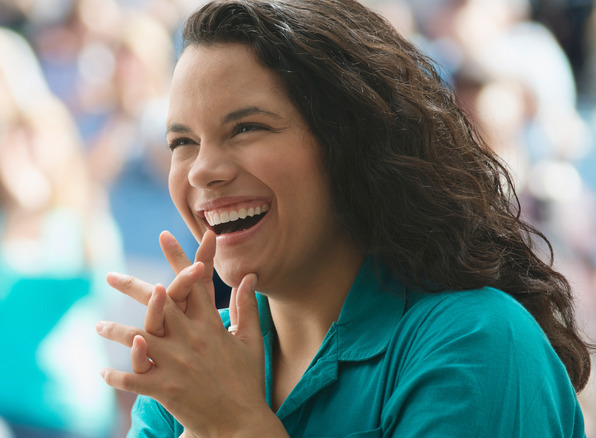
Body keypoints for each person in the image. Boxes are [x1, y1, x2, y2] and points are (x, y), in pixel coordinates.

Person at [94, 0, 592, 436]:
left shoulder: (480, 340)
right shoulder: (191, 363)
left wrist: (232, 423)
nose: (203, 170)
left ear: (354, 148)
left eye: (247, 127)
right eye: (182, 142)